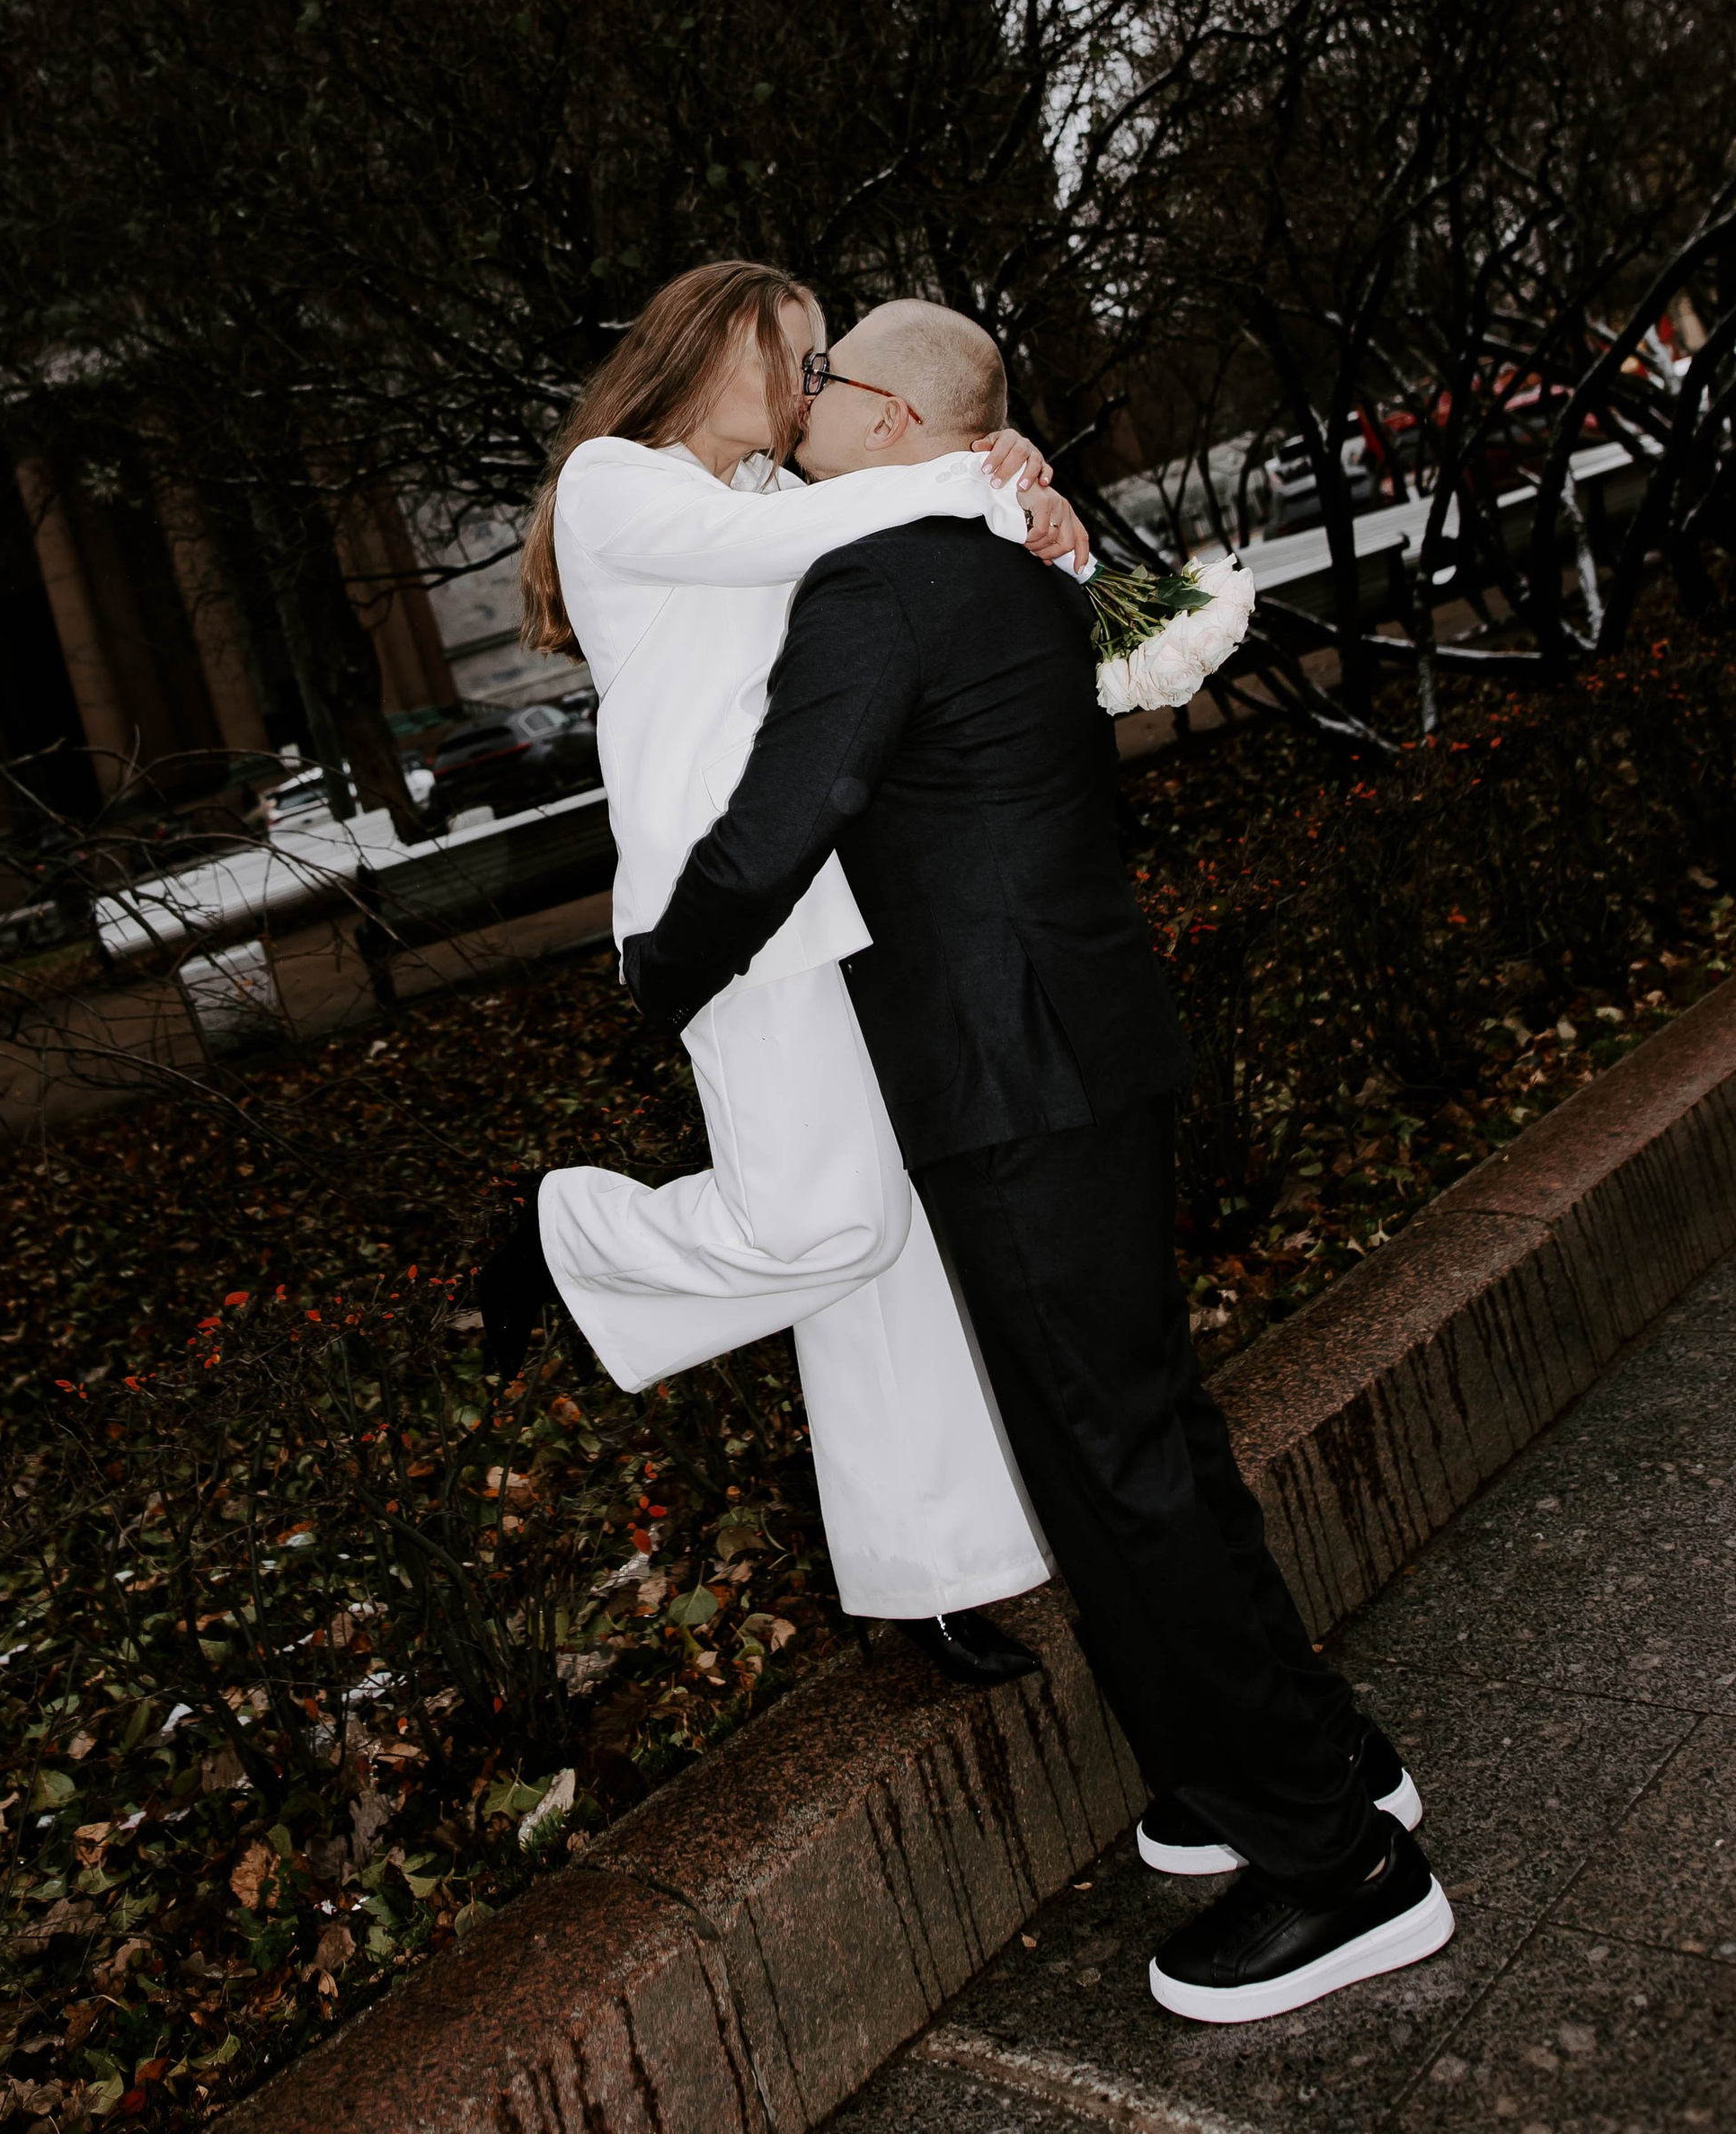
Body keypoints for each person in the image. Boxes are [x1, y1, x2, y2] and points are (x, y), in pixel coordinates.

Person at [619, 296, 1452, 2027]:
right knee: (1158, 1441)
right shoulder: (1006, 561)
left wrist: (656, 983)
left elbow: (782, 823)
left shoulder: (881, 582)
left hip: (1009, 1080)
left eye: (833, 374)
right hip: (1087, 1044)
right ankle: (1309, 1760)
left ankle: (1340, 1871)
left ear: (891, 421)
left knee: (1113, 1475)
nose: (808, 392)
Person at [474, 259, 1085, 1678]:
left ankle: (931, 1579)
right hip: (719, 908)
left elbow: (888, 518)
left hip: (830, 902)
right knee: (827, 1228)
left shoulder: (762, 492)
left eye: (822, 362)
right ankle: (568, 1235)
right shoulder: (616, 487)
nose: (811, 388)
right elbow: (830, 526)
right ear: (702, 350)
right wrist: (976, 475)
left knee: (887, 1243)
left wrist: (1013, 478)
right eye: (792, 356)